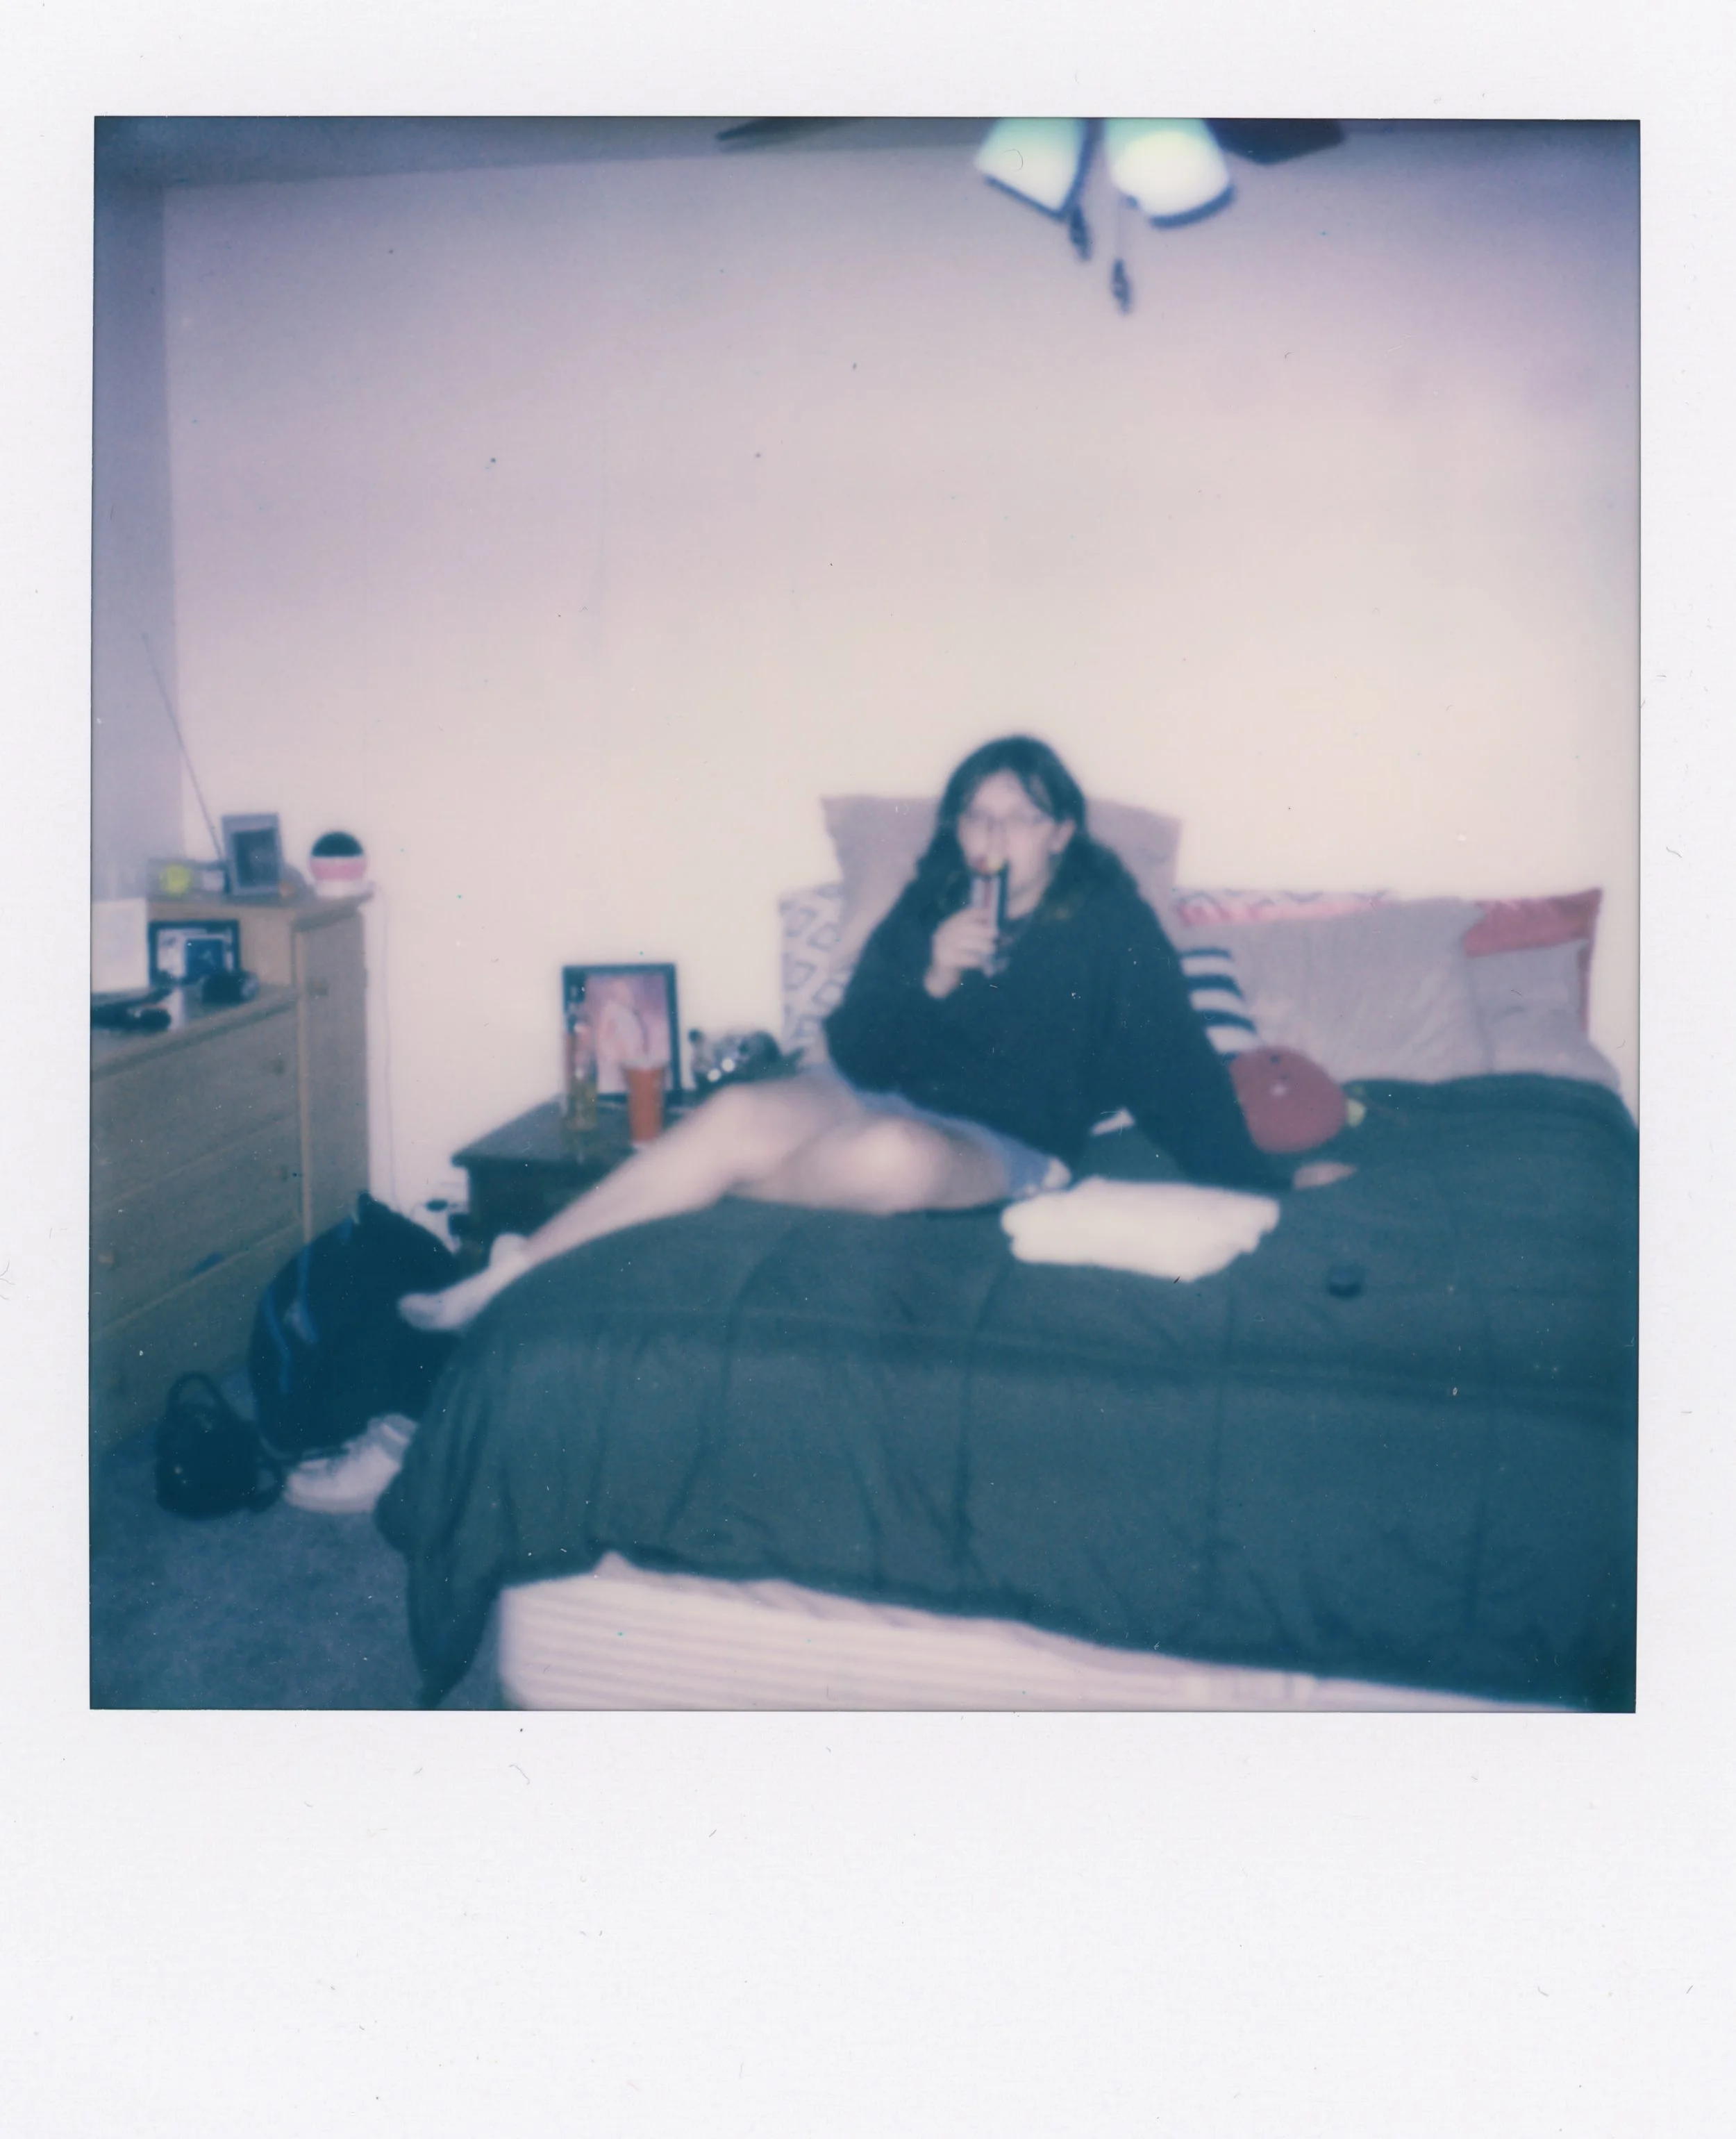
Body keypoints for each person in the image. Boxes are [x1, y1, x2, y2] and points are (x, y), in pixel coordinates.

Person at [400, 735, 1348, 1335]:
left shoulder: (1109, 924)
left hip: (1003, 1144)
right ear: (958, 826)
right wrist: (928, 974)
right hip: (868, 1091)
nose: (995, 832)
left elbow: (1175, 1065)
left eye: (1020, 816)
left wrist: (1258, 1183)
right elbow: (854, 1047)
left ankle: (675, 1197)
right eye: (979, 813)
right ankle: (509, 1276)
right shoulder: (931, 899)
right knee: (734, 1107)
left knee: (889, 1156)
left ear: (1059, 833)